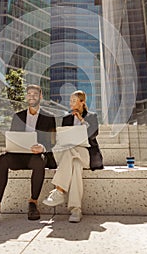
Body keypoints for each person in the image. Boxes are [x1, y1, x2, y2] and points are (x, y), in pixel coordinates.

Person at [0, 84, 56, 227]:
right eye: (29, 94)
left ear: (40, 96)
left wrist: (43, 147)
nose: (32, 96)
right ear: (26, 96)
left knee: (40, 161)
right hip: (19, 156)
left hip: (36, 157)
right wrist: (11, 146)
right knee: (4, 159)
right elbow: (13, 137)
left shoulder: (49, 117)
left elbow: (53, 143)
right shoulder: (18, 116)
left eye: (35, 94)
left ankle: (33, 202)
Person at [42, 90, 103, 223]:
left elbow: (93, 134)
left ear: (82, 102)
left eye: (74, 101)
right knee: (75, 165)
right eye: (70, 101)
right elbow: (64, 138)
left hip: (87, 154)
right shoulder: (67, 118)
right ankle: (76, 210)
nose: (71, 103)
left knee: (73, 151)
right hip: (71, 155)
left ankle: (59, 190)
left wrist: (82, 120)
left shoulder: (91, 116)